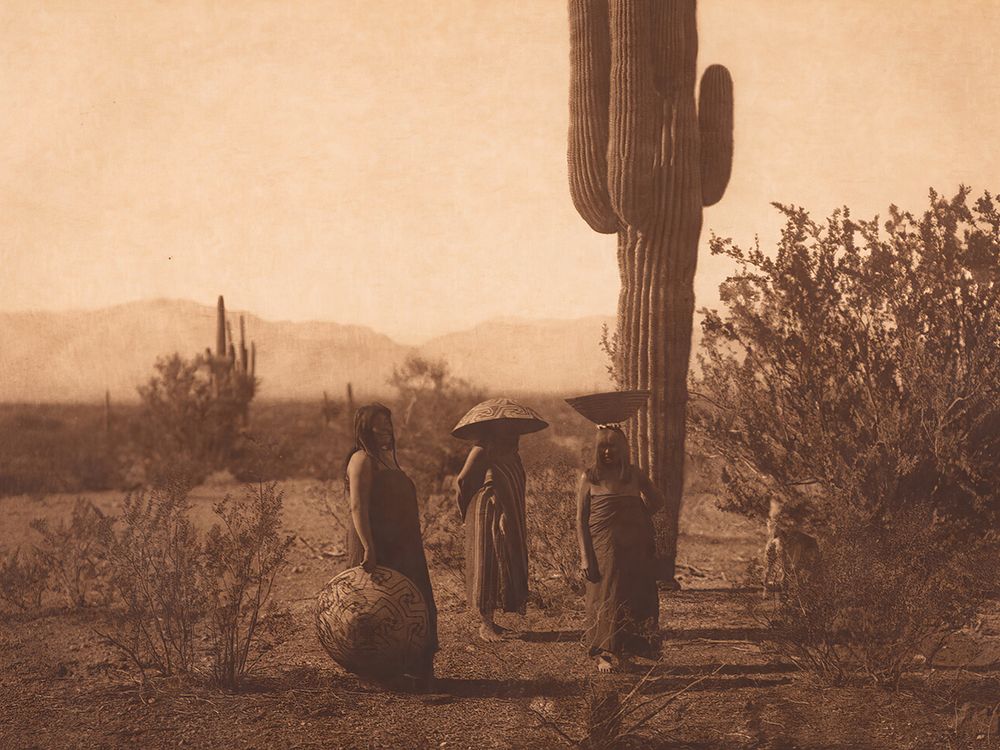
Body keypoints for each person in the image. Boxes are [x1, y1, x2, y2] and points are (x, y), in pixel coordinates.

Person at [345, 403, 437, 689]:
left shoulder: (387, 459)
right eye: (379, 426)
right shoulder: (362, 459)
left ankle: (413, 668)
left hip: (404, 544)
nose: (386, 431)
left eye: (389, 425)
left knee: (414, 604)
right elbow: (357, 506)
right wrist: (368, 547)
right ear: (365, 429)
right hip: (378, 544)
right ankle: (375, 675)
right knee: (376, 608)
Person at [452, 398, 548, 642]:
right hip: (489, 511)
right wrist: (467, 509)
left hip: (506, 512)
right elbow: (463, 481)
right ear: (492, 428)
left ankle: (492, 621)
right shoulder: (484, 448)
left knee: (501, 561)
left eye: (512, 426)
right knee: (488, 561)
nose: (510, 431)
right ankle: (486, 624)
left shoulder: (511, 452)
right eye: (504, 426)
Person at [577, 425, 663, 673]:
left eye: (613, 445)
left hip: (634, 547)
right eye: (602, 445)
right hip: (603, 549)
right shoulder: (589, 477)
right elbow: (580, 520)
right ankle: (604, 653)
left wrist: (638, 516)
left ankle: (628, 650)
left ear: (623, 448)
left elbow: (658, 500)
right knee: (604, 596)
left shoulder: (634, 475)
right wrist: (585, 558)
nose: (607, 451)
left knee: (633, 594)